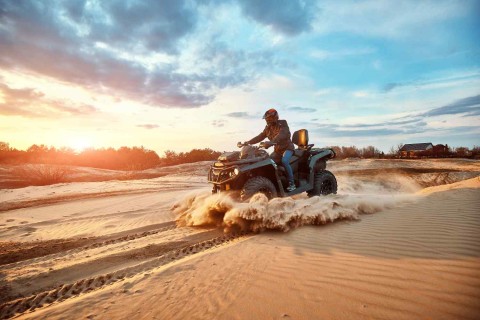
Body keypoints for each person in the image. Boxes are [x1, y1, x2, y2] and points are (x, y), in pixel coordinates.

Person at [247, 108, 296, 192]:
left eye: (269, 118)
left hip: (288, 148)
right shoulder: (268, 128)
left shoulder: (283, 123)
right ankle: (276, 182)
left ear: (275, 117)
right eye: (266, 119)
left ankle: (292, 184)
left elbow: (282, 134)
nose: (267, 120)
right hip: (278, 151)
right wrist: (248, 142)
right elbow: (260, 136)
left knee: (284, 161)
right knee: (268, 162)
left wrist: (271, 142)